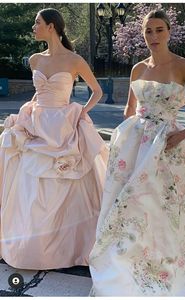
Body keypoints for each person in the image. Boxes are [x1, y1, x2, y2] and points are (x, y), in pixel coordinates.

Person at [89, 10, 185, 296]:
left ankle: (169, 253)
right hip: (136, 142)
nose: (153, 36)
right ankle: (128, 252)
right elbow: (129, 109)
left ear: (169, 32)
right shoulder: (138, 68)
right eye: (148, 31)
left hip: (170, 141)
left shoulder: (183, 66)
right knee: (130, 202)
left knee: (168, 202)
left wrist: (184, 133)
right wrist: (124, 138)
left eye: (159, 30)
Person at [0, 8, 108, 270]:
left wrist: (79, 113)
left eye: (37, 23)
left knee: (67, 184)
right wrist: (29, 109)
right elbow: (41, 92)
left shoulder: (75, 60)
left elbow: (97, 91)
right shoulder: (35, 60)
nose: (33, 27)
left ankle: (67, 244)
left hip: (63, 127)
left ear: (51, 26)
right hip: (37, 125)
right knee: (29, 185)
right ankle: (28, 240)